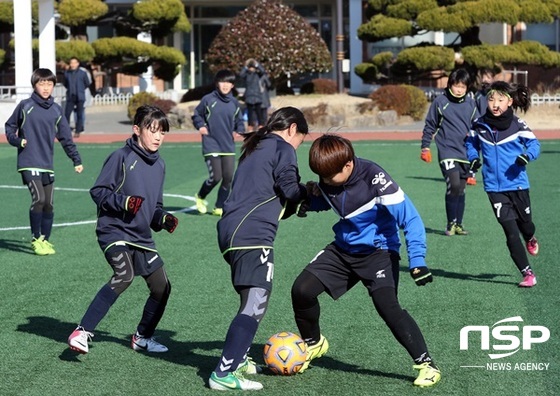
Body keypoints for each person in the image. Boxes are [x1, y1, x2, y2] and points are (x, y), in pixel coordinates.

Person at [291, 134, 441, 388]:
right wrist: (310, 202)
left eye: (329, 177)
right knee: (302, 290)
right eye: (321, 177)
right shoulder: (330, 174)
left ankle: (427, 363)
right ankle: (314, 344)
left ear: (348, 165)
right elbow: (333, 200)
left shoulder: (375, 179)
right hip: (343, 249)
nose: (325, 182)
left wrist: (418, 260)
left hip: (379, 253)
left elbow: (411, 219)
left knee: (388, 307)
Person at [209, 107, 309, 391]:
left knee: (249, 301)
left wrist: (296, 203)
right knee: (256, 303)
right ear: (292, 129)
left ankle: (238, 358)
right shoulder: (283, 149)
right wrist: (310, 192)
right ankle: (223, 373)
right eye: (300, 139)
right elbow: (290, 189)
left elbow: (271, 197)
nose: (298, 146)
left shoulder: (257, 147)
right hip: (252, 234)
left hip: (231, 232)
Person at [67, 105, 179, 354]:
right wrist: (124, 202)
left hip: (141, 236)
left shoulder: (159, 165)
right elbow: (98, 192)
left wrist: (162, 219)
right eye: (153, 130)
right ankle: (82, 332)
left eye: (163, 131)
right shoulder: (121, 157)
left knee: (162, 286)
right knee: (124, 275)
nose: (158, 136)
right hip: (114, 229)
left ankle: (142, 337)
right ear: (137, 130)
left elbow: (153, 208)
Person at [466, 81, 540, 287]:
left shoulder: (518, 125)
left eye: (500, 100)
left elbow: (534, 144)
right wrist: (473, 157)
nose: (495, 104)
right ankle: (528, 274)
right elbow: (471, 143)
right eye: (491, 100)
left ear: (509, 101)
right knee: (509, 231)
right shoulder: (479, 125)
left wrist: (527, 156)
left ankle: (531, 237)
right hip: (494, 188)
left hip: (518, 184)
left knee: (526, 225)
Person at [4, 68, 83, 256]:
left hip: (47, 163)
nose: (46, 87)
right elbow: (9, 126)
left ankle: (45, 241)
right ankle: (35, 238)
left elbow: (65, 138)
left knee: (49, 204)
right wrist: (17, 141)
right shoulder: (25, 105)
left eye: (49, 84)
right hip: (28, 160)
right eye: (42, 83)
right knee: (38, 199)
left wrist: (76, 159)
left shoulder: (56, 110)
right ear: (35, 85)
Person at [421, 68, 479, 236]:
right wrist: (425, 147)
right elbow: (430, 125)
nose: (459, 89)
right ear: (450, 85)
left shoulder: (471, 104)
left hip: (465, 152)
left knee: (461, 189)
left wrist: (475, 164)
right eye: (456, 85)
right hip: (447, 150)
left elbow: (478, 129)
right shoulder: (440, 102)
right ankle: (450, 224)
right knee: (453, 185)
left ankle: (458, 224)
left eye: (463, 86)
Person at [192, 69, 245, 216]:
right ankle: (200, 197)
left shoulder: (234, 103)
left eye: (229, 82)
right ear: (217, 83)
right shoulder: (208, 100)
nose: (225, 85)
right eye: (223, 82)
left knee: (228, 178)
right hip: (211, 143)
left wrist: (239, 129)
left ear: (233, 85)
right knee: (216, 177)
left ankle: (219, 206)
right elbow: (197, 115)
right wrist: (201, 126)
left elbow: (239, 121)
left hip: (228, 145)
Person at [468, 67, 497, 185]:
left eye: (488, 77)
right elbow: (475, 110)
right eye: (484, 77)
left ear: (493, 79)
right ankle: (471, 174)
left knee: (491, 152)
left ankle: (493, 175)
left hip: (492, 127)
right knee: (473, 149)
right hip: (479, 126)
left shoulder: (496, 94)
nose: (486, 79)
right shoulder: (478, 95)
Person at [63, 57, 91, 137]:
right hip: (70, 96)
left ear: (78, 63)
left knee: (79, 114)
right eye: (71, 63)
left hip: (80, 96)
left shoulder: (82, 73)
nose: (73, 64)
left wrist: (81, 89)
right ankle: (66, 130)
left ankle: (78, 130)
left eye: (74, 63)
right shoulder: (67, 73)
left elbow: (87, 83)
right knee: (67, 114)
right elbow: (65, 84)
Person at [239, 59, 267, 132]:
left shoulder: (257, 74)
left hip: (257, 95)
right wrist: (246, 66)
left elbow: (263, 71)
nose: (252, 69)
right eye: (250, 67)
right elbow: (241, 75)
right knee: (250, 113)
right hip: (249, 95)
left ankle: (261, 126)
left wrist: (257, 64)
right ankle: (250, 126)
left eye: (253, 67)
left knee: (259, 112)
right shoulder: (246, 74)